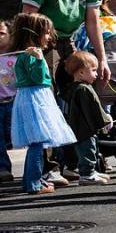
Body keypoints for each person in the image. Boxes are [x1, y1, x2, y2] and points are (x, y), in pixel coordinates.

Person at [21, 0, 109, 186]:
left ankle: (74, 164)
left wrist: (101, 59)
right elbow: (28, 16)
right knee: (44, 99)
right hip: (41, 37)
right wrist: (33, 55)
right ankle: (47, 167)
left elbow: (93, 21)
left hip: (67, 37)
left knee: (77, 95)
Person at [9, 13, 77, 194]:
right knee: (37, 144)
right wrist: (39, 61)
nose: (50, 37)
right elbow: (38, 79)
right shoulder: (30, 56)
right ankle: (34, 184)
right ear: (34, 33)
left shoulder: (26, 55)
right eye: (46, 33)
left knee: (36, 144)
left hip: (32, 98)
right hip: (35, 100)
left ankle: (30, 181)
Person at [62, 51, 113, 186]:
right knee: (88, 150)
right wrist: (106, 119)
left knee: (88, 149)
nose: (96, 74)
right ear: (81, 73)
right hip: (84, 128)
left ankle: (90, 171)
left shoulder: (73, 88)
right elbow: (93, 108)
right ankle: (87, 174)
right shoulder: (84, 89)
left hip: (77, 127)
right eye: (93, 70)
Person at [0, 20, 16, 183]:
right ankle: (3, 168)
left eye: (2, 33)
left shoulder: (15, 57)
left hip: (13, 102)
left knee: (11, 136)